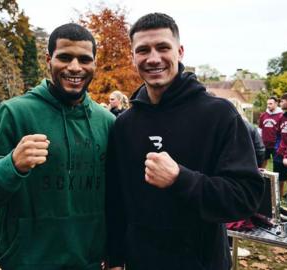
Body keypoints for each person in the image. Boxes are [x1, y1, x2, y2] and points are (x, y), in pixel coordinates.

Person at [106, 13, 263, 270]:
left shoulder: (219, 114)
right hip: (140, 261)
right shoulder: (125, 124)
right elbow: (116, 199)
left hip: (201, 261)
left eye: (163, 47)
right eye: (143, 50)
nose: (153, 58)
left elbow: (245, 196)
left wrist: (181, 179)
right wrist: (114, 257)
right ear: (132, 57)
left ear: (179, 51)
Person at [0, 23, 115, 269]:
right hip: (28, 261)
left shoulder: (106, 121)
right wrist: (11, 165)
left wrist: (113, 252)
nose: (75, 67)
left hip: (88, 261)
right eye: (64, 57)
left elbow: (113, 197)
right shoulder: (14, 113)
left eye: (84, 59)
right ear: (48, 60)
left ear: (94, 63)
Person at [258, 96, 283, 168]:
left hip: (276, 145)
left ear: (276, 103)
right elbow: (260, 129)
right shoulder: (263, 115)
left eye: (270, 104)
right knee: (262, 162)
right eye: (267, 104)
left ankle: (276, 178)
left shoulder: (281, 115)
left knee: (276, 164)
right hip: (264, 143)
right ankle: (262, 177)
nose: (268, 105)